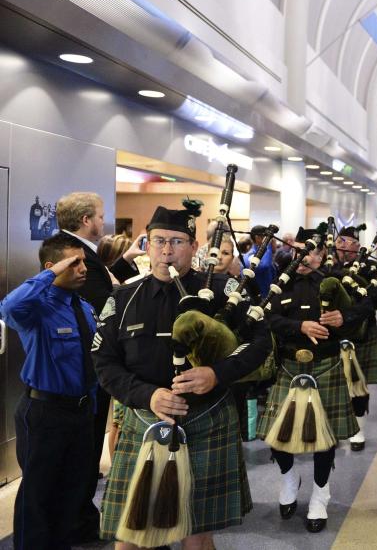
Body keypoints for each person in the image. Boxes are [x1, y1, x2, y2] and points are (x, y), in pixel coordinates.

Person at [92, 201, 273, 549]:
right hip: (144, 419)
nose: (166, 250)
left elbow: (260, 342)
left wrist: (217, 373)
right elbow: (104, 360)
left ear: (193, 247)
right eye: (158, 241)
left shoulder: (225, 291)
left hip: (205, 419)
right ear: (147, 244)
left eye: (176, 242)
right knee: (130, 535)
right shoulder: (124, 297)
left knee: (197, 534)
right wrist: (148, 395)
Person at [258, 227, 358, 532]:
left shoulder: (334, 283)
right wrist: (300, 326)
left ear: (321, 255)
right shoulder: (280, 283)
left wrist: (342, 320)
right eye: (297, 250)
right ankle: (289, 478)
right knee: (276, 435)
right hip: (288, 366)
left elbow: (357, 319)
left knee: (323, 439)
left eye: (309, 251)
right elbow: (267, 317)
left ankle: (320, 492)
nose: (301, 257)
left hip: (324, 365)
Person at [56, 191, 143, 542]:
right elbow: (99, 299)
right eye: (101, 215)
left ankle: (82, 514)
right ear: (87, 220)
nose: (104, 221)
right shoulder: (71, 253)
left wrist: (126, 262)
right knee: (84, 447)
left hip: (86, 366)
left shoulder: (81, 252)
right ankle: (79, 520)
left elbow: (100, 284)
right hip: (82, 365)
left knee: (87, 445)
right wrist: (139, 289)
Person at [0, 233, 97, 550]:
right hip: (44, 413)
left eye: (83, 261)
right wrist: (51, 274)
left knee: (72, 492)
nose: (83, 268)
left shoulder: (83, 308)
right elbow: (8, 306)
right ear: (51, 267)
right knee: (38, 497)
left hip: (81, 412)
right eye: (74, 262)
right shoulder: (35, 309)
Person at [330, 225, 377, 451]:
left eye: (347, 241)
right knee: (333, 385)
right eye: (340, 241)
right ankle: (333, 429)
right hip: (331, 334)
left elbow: (376, 303)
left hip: (361, 333)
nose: (342, 245)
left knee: (358, 385)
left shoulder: (369, 268)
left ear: (357, 245)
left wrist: (350, 314)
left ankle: (358, 430)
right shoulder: (329, 267)